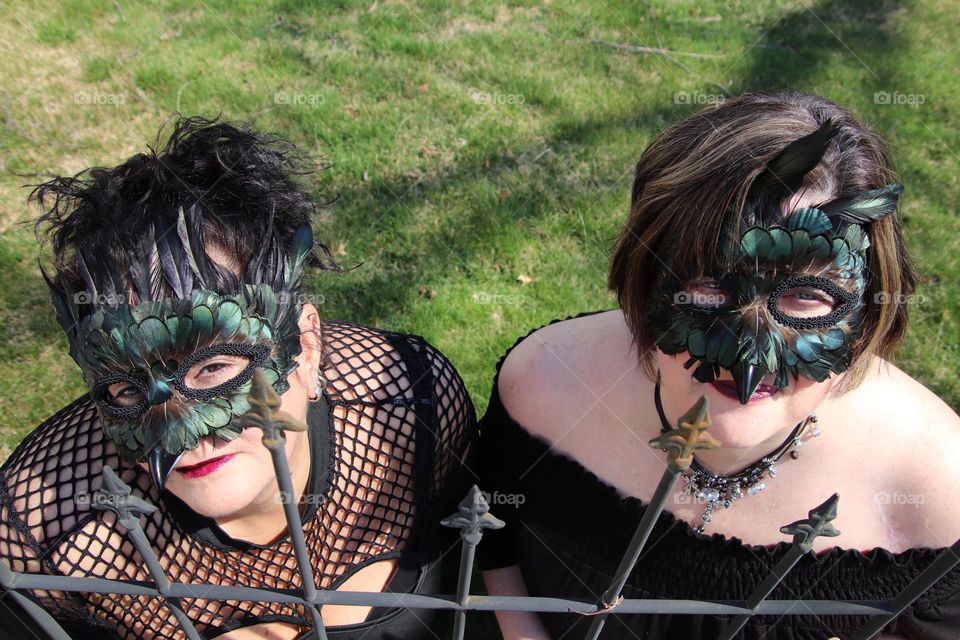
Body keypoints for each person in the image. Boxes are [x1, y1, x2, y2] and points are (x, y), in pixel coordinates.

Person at [477, 91, 960, 639]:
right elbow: (492, 541)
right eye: (708, 287)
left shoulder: (938, 494)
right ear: (644, 278)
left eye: (806, 297)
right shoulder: (545, 385)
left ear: (867, 312)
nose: (747, 360)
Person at [0, 116, 477, 639]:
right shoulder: (48, 536)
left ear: (308, 344)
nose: (185, 433)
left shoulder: (408, 407)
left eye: (214, 368)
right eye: (129, 390)